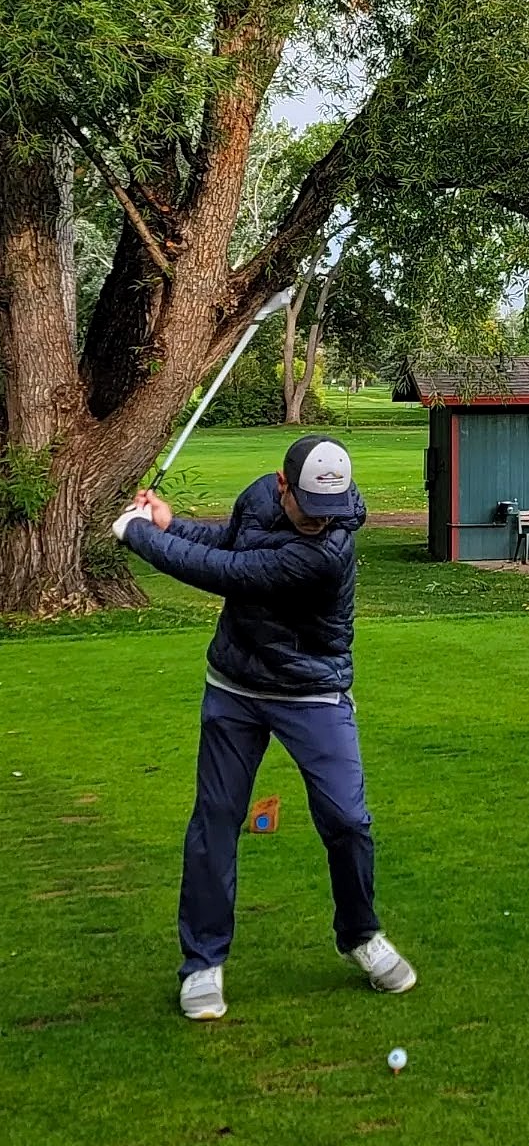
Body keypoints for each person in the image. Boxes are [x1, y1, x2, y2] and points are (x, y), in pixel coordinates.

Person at [113, 435, 415, 1020]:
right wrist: (169, 523)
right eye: (309, 508)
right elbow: (225, 543)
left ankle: (360, 934)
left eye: (330, 510)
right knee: (215, 821)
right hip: (236, 686)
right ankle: (203, 963)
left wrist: (138, 535)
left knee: (348, 820)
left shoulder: (327, 551)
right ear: (284, 486)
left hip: (313, 691)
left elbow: (230, 572)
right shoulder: (259, 498)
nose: (319, 521)